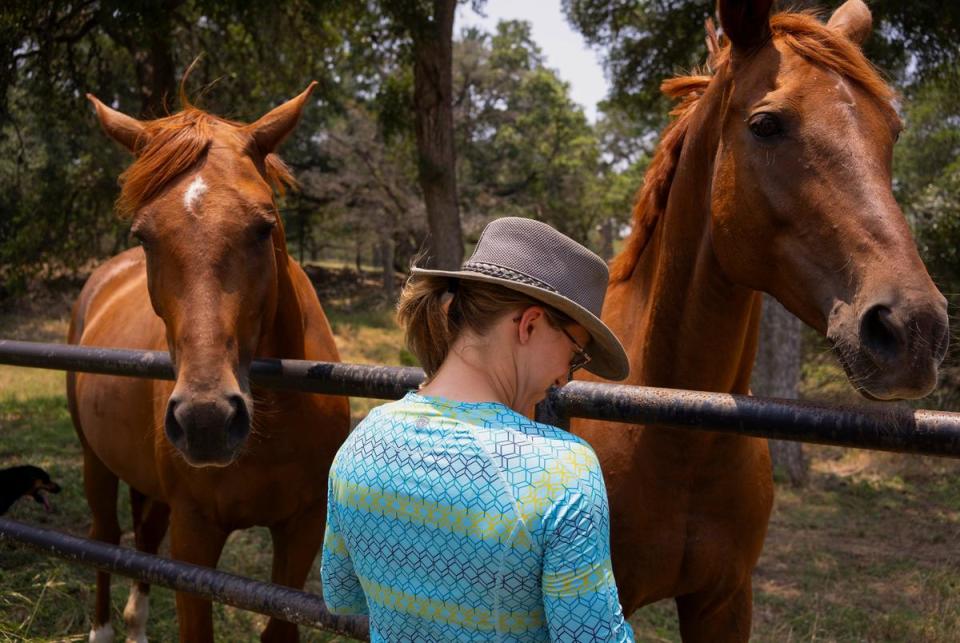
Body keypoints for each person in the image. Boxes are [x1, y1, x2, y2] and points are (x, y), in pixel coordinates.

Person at [321, 217, 635, 642]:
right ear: (529, 324)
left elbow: (342, 597)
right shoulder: (562, 472)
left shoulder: (360, 443)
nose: (565, 377)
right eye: (575, 353)